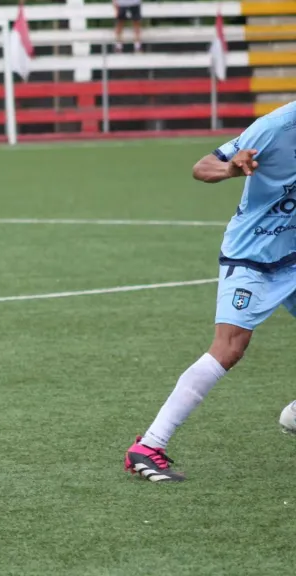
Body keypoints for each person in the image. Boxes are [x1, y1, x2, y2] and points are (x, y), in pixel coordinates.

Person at [124, 101, 296, 482]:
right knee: (230, 347)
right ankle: (148, 446)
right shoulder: (275, 127)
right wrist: (231, 168)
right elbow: (202, 167)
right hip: (254, 255)